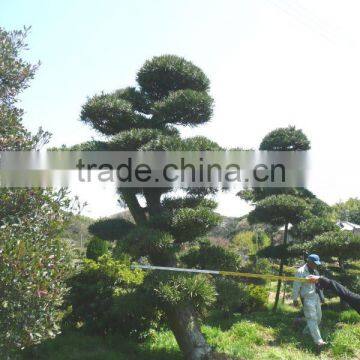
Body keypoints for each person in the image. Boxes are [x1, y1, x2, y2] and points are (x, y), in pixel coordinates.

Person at [293, 254, 326, 347]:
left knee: (319, 318)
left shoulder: (315, 271)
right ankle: (319, 341)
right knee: (312, 318)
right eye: (315, 263)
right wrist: (295, 299)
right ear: (309, 262)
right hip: (307, 298)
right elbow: (296, 286)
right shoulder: (300, 271)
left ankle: (306, 332)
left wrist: (322, 296)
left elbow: (319, 286)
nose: (316, 265)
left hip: (316, 297)